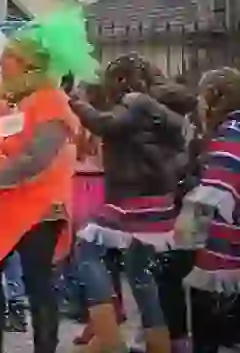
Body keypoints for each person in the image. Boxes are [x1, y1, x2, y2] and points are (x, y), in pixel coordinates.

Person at [0, 8, 97, 353]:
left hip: (39, 210)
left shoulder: (52, 102)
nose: (2, 64)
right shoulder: (2, 100)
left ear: (30, 65)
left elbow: (36, 160)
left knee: (38, 286)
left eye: (11, 58)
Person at [67, 54, 192, 353]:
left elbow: (106, 124)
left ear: (121, 80)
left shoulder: (135, 101)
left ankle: (109, 337)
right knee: (139, 273)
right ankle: (158, 344)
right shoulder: (159, 106)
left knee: (86, 250)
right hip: (157, 199)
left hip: (133, 197)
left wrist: (74, 101)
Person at [174, 68, 240, 353]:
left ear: (214, 96)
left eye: (201, 96)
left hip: (224, 259)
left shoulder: (230, 134)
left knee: (210, 338)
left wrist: (183, 239)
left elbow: (213, 197)